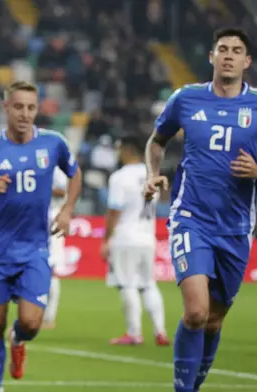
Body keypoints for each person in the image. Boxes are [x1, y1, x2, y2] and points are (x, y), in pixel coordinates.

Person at [144, 27, 257, 392]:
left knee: (213, 320)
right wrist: (152, 174)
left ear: (246, 61)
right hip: (191, 219)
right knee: (195, 311)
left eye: (236, 50)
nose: (228, 55)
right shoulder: (187, 99)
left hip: (236, 226)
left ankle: (193, 384)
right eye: (222, 49)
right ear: (211, 57)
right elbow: (156, 141)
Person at [0, 81, 82, 392]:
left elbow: (74, 172)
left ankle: (19, 338)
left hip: (35, 250)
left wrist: (67, 209)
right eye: (18, 107)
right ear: (6, 108)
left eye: (30, 107)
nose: (25, 114)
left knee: (29, 323)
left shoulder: (53, 143)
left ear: (37, 109)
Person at [101, 135, 169, 346]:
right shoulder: (151, 174)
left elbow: (114, 210)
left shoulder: (120, 177)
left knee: (127, 285)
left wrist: (106, 239)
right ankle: (160, 332)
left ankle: (134, 333)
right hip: (147, 237)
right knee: (148, 285)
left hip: (125, 237)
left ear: (128, 150)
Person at [41, 167, 67, 330]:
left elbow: (64, 191)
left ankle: (49, 317)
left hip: (53, 218)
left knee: (50, 268)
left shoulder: (57, 169)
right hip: (35, 216)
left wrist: (40, 187)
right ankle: (38, 315)